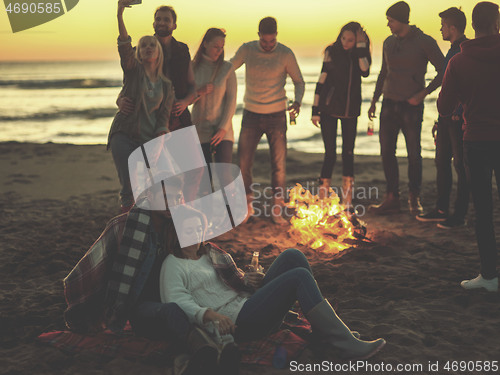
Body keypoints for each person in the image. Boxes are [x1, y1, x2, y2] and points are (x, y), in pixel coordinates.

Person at [160, 206, 386, 361]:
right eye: (188, 230)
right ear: (177, 232)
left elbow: (233, 281)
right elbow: (176, 302)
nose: (195, 235)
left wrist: (249, 280)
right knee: (299, 277)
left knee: (292, 255)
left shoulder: (209, 253)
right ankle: (344, 342)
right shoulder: (173, 265)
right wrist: (212, 316)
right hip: (238, 322)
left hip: (247, 302)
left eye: (198, 229)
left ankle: (323, 333)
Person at [63, 175, 223, 374]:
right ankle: (208, 352)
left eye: (176, 197)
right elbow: (89, 269)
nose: (170, 203)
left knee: (194, 309)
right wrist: (86, 312)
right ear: (149, 194)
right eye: (165, 197)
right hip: (143, 309)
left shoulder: (178, 224)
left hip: (177, 295)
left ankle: (197, 355)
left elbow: (202, 251)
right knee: (172, 311)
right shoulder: (124, 226)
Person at [437, 1, 500, 292]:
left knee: (483, 210)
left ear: (472, 27)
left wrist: (464, 95)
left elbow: (443, 105)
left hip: (476, 140)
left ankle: (489, 276)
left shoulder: (459, 62)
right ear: (497, 24)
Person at [368, 1, 445, 215]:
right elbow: (384, 72)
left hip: (411, 106)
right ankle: (392, 198)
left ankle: (414, 198)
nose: (388, 24)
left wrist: (424, 93)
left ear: (401, 20)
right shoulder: (387, 43)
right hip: (388, 104)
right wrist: (375, 99)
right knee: (386, 152)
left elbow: (444, 70)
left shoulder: (425, 42)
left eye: (390, 20)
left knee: (414, 153)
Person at [231, 17, 305, 225]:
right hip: (251, 114)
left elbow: (299, 82)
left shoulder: (285, 53)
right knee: (244, 163)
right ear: (259, 36)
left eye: (272, 41)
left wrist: (297, 102)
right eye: (265, 41)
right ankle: (247, 207)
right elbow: (228, 68)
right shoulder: (247, 50)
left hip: (276, 116)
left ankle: (276, 209)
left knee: (279, 165)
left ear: (276, 36)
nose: (268, 45)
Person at [107, 0, 175, 212]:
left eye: (151, 45)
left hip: (149, 142)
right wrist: (120, 15)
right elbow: (124, 45)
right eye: (143, 45)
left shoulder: (166, 85)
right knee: (128, 189)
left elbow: (163, 119)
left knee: (158, 185)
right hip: (124, 135)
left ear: (158, 52)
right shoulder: (133, 71)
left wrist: (159, 142)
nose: (147, 48)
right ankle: (126, 230)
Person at [417, 7, 469, 228]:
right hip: (446, 117)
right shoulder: (450, 51)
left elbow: (467, 86)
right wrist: (440, 117)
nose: (440, 29)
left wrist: (458, 113)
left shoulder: (464, 51)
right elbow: (447, 87)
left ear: (452, 27)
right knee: (441, 162)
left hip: (458, 119)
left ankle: (459, 215)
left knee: (460, 165)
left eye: (443, 26)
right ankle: (440, 209)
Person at [312, 22, 372, 208]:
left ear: (358, 41)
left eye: (351, 40)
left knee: (348, 154)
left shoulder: (360, 54)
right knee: (330, 154)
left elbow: (365, 71)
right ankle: (322, 200)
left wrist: (361, 47)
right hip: (329, 109)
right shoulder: (331, 51)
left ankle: (347, 201)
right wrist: (315, 110)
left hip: (350, 111)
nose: (346, 43)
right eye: (344, 38)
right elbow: (322, 80)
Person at [116, 3, 196, 133]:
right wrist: (120, 100)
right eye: (158, 19)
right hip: (150, 119)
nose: (161, 22)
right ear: (153, 24)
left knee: (191, 154)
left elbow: (192, 85)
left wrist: (185, 102)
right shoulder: (141, 51)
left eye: (166, 20)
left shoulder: (182, 50)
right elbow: (128, 83)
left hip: (179, 118)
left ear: (174, 25)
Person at [191, 28, 237, 174]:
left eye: (221, 47)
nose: (219, 51)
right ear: (205, 44)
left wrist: (223, 128)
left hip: (222, 131)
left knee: (225, 177)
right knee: (203, 179)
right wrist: (199, 92)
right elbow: (183, 99)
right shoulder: (192, 67)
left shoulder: (227, 68)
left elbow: (231, 100)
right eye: (215, 47)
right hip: (199, 130)